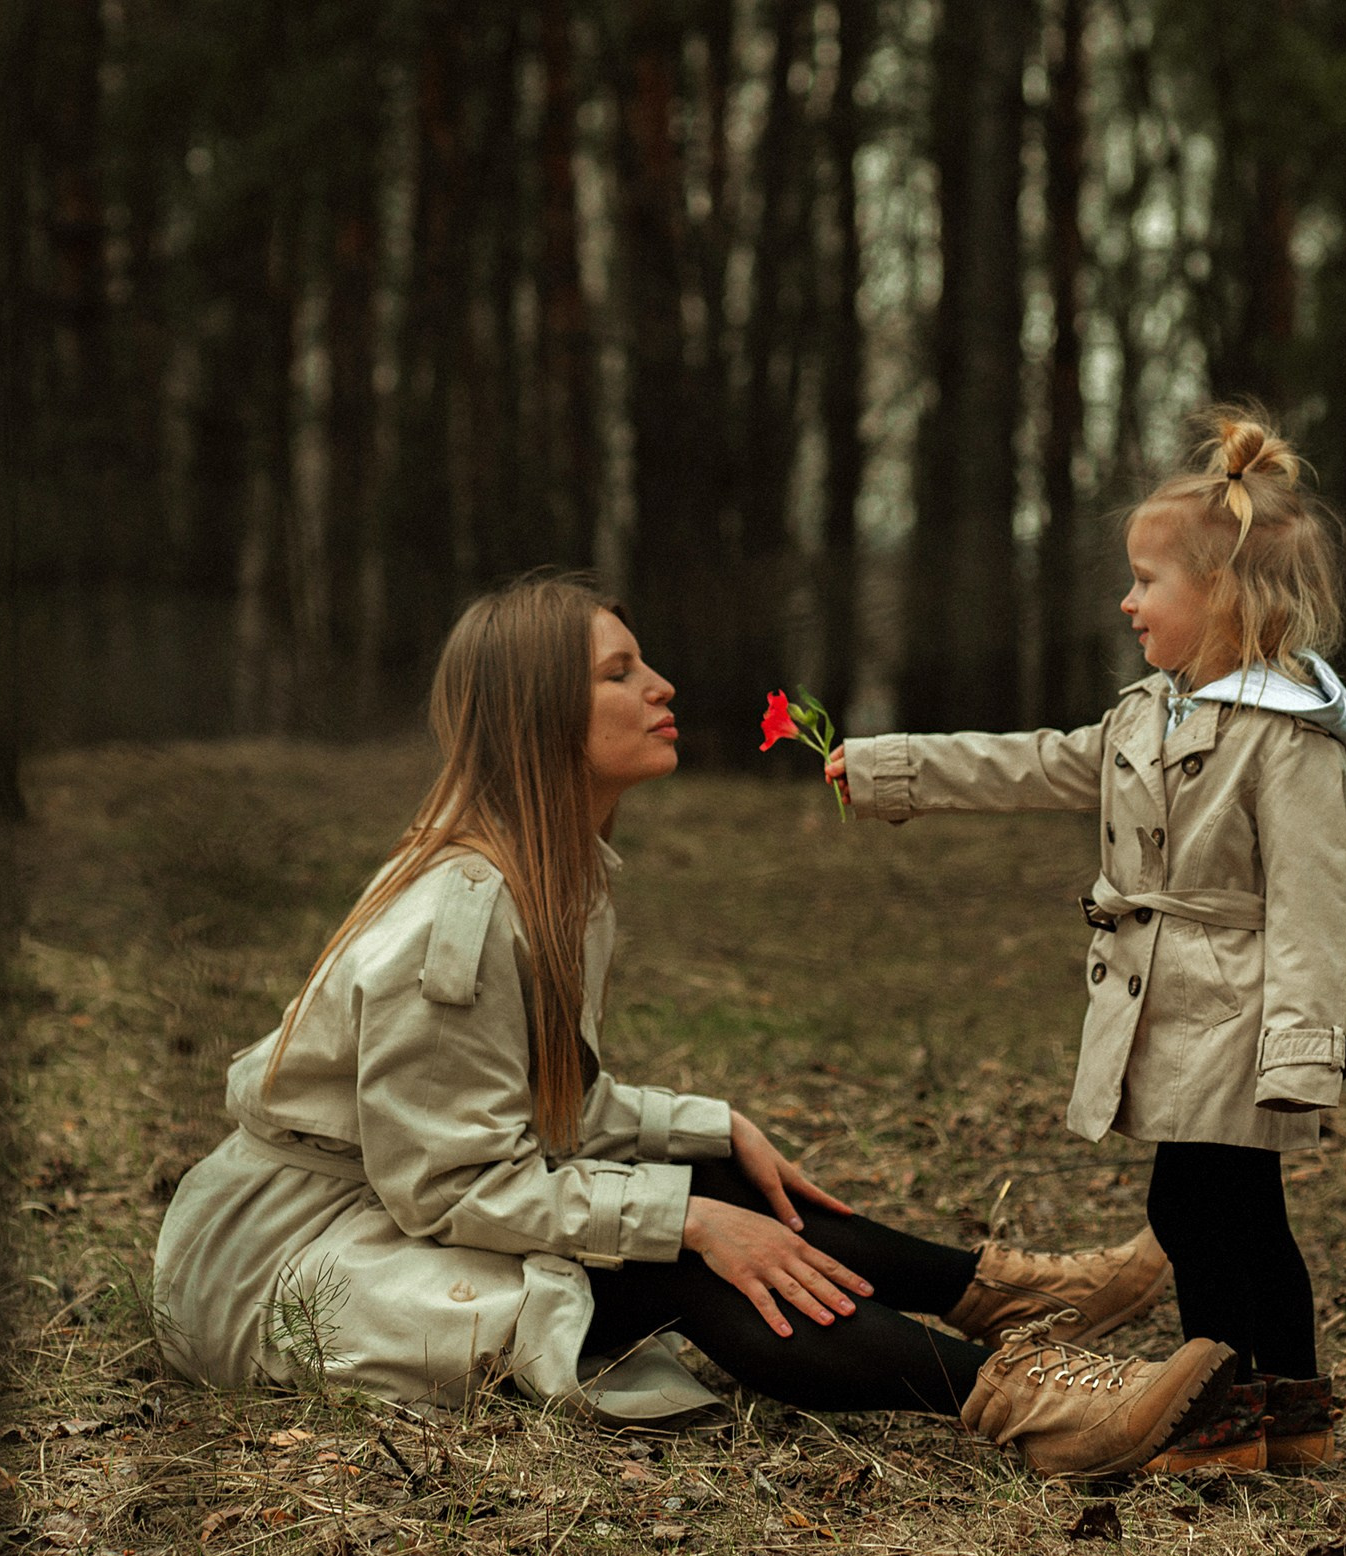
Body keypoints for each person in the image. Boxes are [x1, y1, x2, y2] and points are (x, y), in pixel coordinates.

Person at [152, 575, 1237, 1479]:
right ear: (541, 717)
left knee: (702, 1187)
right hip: (275, 1269)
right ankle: (1026, 1403)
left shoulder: (555, 876)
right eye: (618, 673)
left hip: (377, 1208)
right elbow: (445, 1183)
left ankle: (996, 1297)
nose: (660, 685)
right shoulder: (463, 915)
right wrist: (688, 1221)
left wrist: (704, 1125)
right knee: (668, 1250)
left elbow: (520, 1101)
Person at [828, 407, 1346, 1473]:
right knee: (1239, 1209)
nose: (1127, 601)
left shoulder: (1289, 740)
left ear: (1221, 596)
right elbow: (1029, 762)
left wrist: (1302, 1046)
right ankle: (1284, 1409)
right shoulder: (1146, 718)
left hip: (1238, 1011)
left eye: (1146, 581)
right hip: (1172, 1004)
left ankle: (1216, 1410)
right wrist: (891, 768)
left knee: (1200, 1207)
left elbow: (1313, 906)